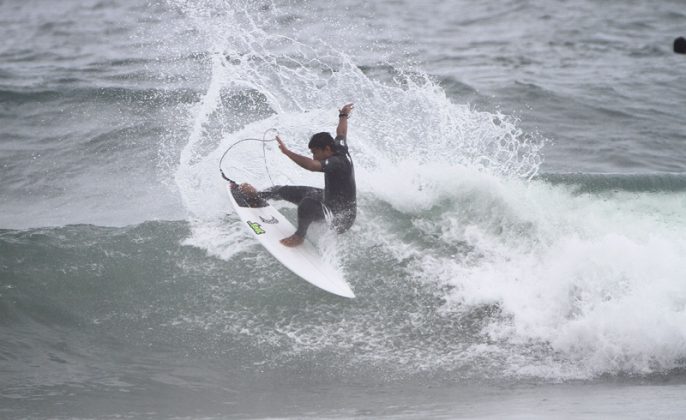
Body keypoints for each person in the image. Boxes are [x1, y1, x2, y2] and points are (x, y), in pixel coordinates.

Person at [240, 103, 356, 247]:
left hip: (341, 218)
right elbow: (341, 132)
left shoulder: (338, 162)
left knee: (307, 204)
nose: (314, 157)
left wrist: (287, 152)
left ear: (326, 148)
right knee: (283, 190)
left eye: (315, 152)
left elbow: (311, 166)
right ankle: (257, 198)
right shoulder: (339, 146)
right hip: (329, 199)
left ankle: (299, 236)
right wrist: (343, 115)